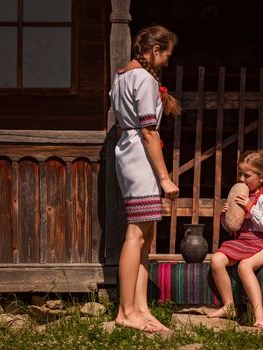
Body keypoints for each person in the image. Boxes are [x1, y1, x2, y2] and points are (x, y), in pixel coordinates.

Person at [109, 25, 181, 333]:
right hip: (140, 156)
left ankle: (141, 307)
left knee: (146, 236)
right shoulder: (144, 79)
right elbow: (149, 130)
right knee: (136, 235)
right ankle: (126, 311)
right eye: (166, 55)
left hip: (128, 149)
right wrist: (164, 178)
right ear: (155, 51)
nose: (167, 61)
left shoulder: (122, 76)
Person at [207, 151, 263, 329]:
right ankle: (229, 306)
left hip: (262, 244)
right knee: (216, 260)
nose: (242, 179)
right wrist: (226, 216)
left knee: (244, 266)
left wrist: (250, 207)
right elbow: (233, 228)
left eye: (247, 175)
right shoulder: (240, 194)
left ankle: (259, 314)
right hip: (242, 241)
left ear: (262, 177)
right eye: (240, 174)